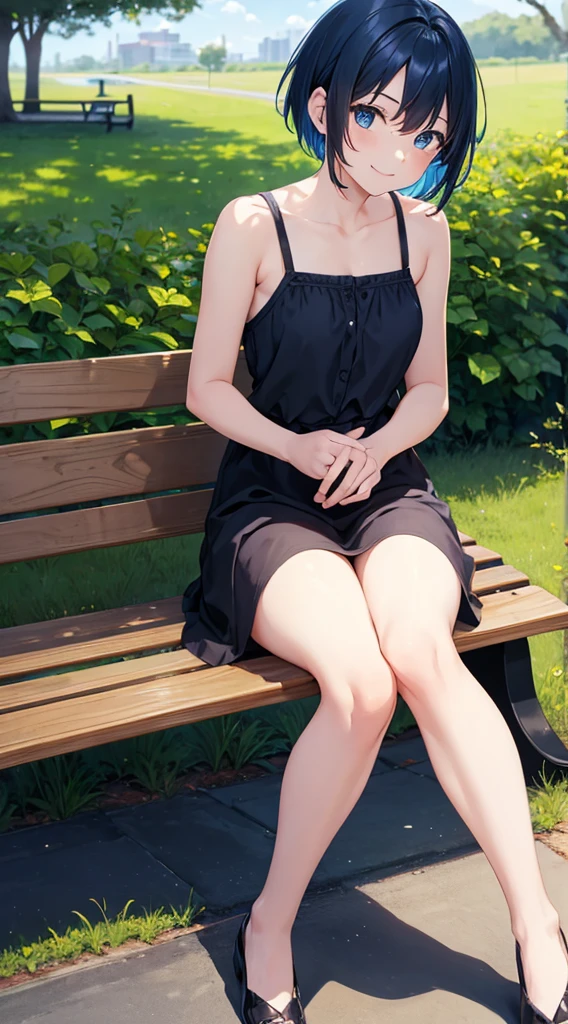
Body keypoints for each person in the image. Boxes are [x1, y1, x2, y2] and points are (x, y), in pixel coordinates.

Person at [181, 1, 568, 1022]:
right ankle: (267, 920)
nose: (399, 144)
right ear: (323, 104)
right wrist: (301, 445)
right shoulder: (252, 224)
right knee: (358, 688)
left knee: (421, 650)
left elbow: (429, 391)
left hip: (388, 492)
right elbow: (207, 388)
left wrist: (374, 448)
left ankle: (535, 916)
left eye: (426, 128)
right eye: (377, 114)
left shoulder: (425, 232)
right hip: (272, 502)